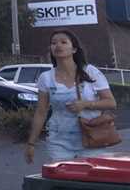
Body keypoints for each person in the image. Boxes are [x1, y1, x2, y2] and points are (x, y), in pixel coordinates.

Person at [25, 29, 117, 163]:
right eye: (53, 43)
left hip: (92, 137)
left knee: (90, 180)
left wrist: (86, 104)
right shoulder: (45, 78)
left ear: (74, 49)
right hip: (59, 140)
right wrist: (31, 143)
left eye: (63, 42)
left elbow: (111, 103)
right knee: (63, 180)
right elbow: (41, 112)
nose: (58, 46)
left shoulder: (90, 72)